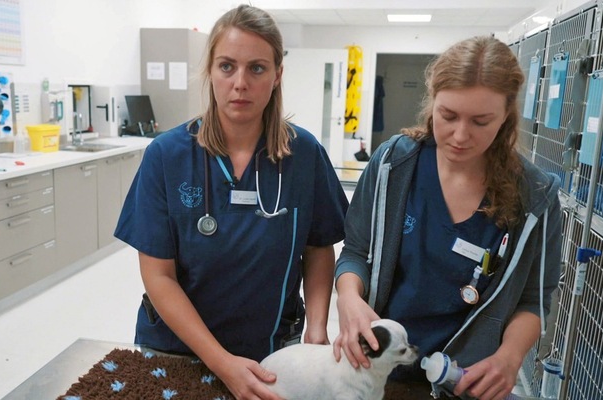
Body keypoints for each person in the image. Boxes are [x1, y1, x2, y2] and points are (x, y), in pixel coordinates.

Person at [115, 5, 349, 399]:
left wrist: (317, 331)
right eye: (227, 66)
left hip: (273, 353)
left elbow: (319, 246)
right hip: (178, 351)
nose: (240, 83)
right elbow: (158, 276)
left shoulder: (304, 154)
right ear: (210, 71)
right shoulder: (167, 155)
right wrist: (220, 362)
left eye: (257, 68)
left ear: (277, 75)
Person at [332, 35, 562, 400]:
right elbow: (355, 253)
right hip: (379, 370)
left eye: (481, 122)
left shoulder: (535, 197)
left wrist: (509, 356)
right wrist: (348, 297)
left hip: (465, 380)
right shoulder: (394, 166)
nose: (459, 136)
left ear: (506, 117)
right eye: (448, 116)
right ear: (432, 102)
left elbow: (534, 300)